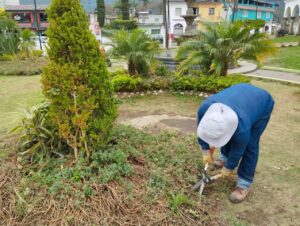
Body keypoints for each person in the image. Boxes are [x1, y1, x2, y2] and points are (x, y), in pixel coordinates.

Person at [197, 83, 274, 203]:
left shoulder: (242, 126)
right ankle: (224, 158)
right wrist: (205, 151)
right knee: (227, 133)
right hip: (240, 96)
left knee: (250, 145)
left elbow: (239, 149)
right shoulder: (205, 109)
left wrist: (229, 167)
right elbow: (202, 131)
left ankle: (244, 183)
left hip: (261, 102)